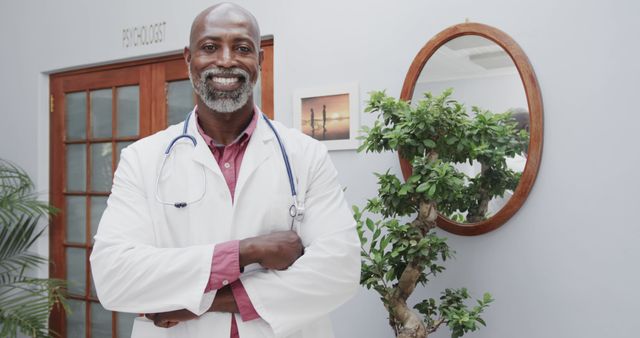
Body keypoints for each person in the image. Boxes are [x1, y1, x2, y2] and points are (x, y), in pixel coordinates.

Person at [89, 3, 360, 338]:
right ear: (188, 58)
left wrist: (202, 302)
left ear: (260, 60)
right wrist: (249, 250)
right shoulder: (142, 159)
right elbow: (114, 278)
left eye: (242, 48)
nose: (227, 59)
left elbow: (339, 272)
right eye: (210, 47)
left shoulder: (306, 155)